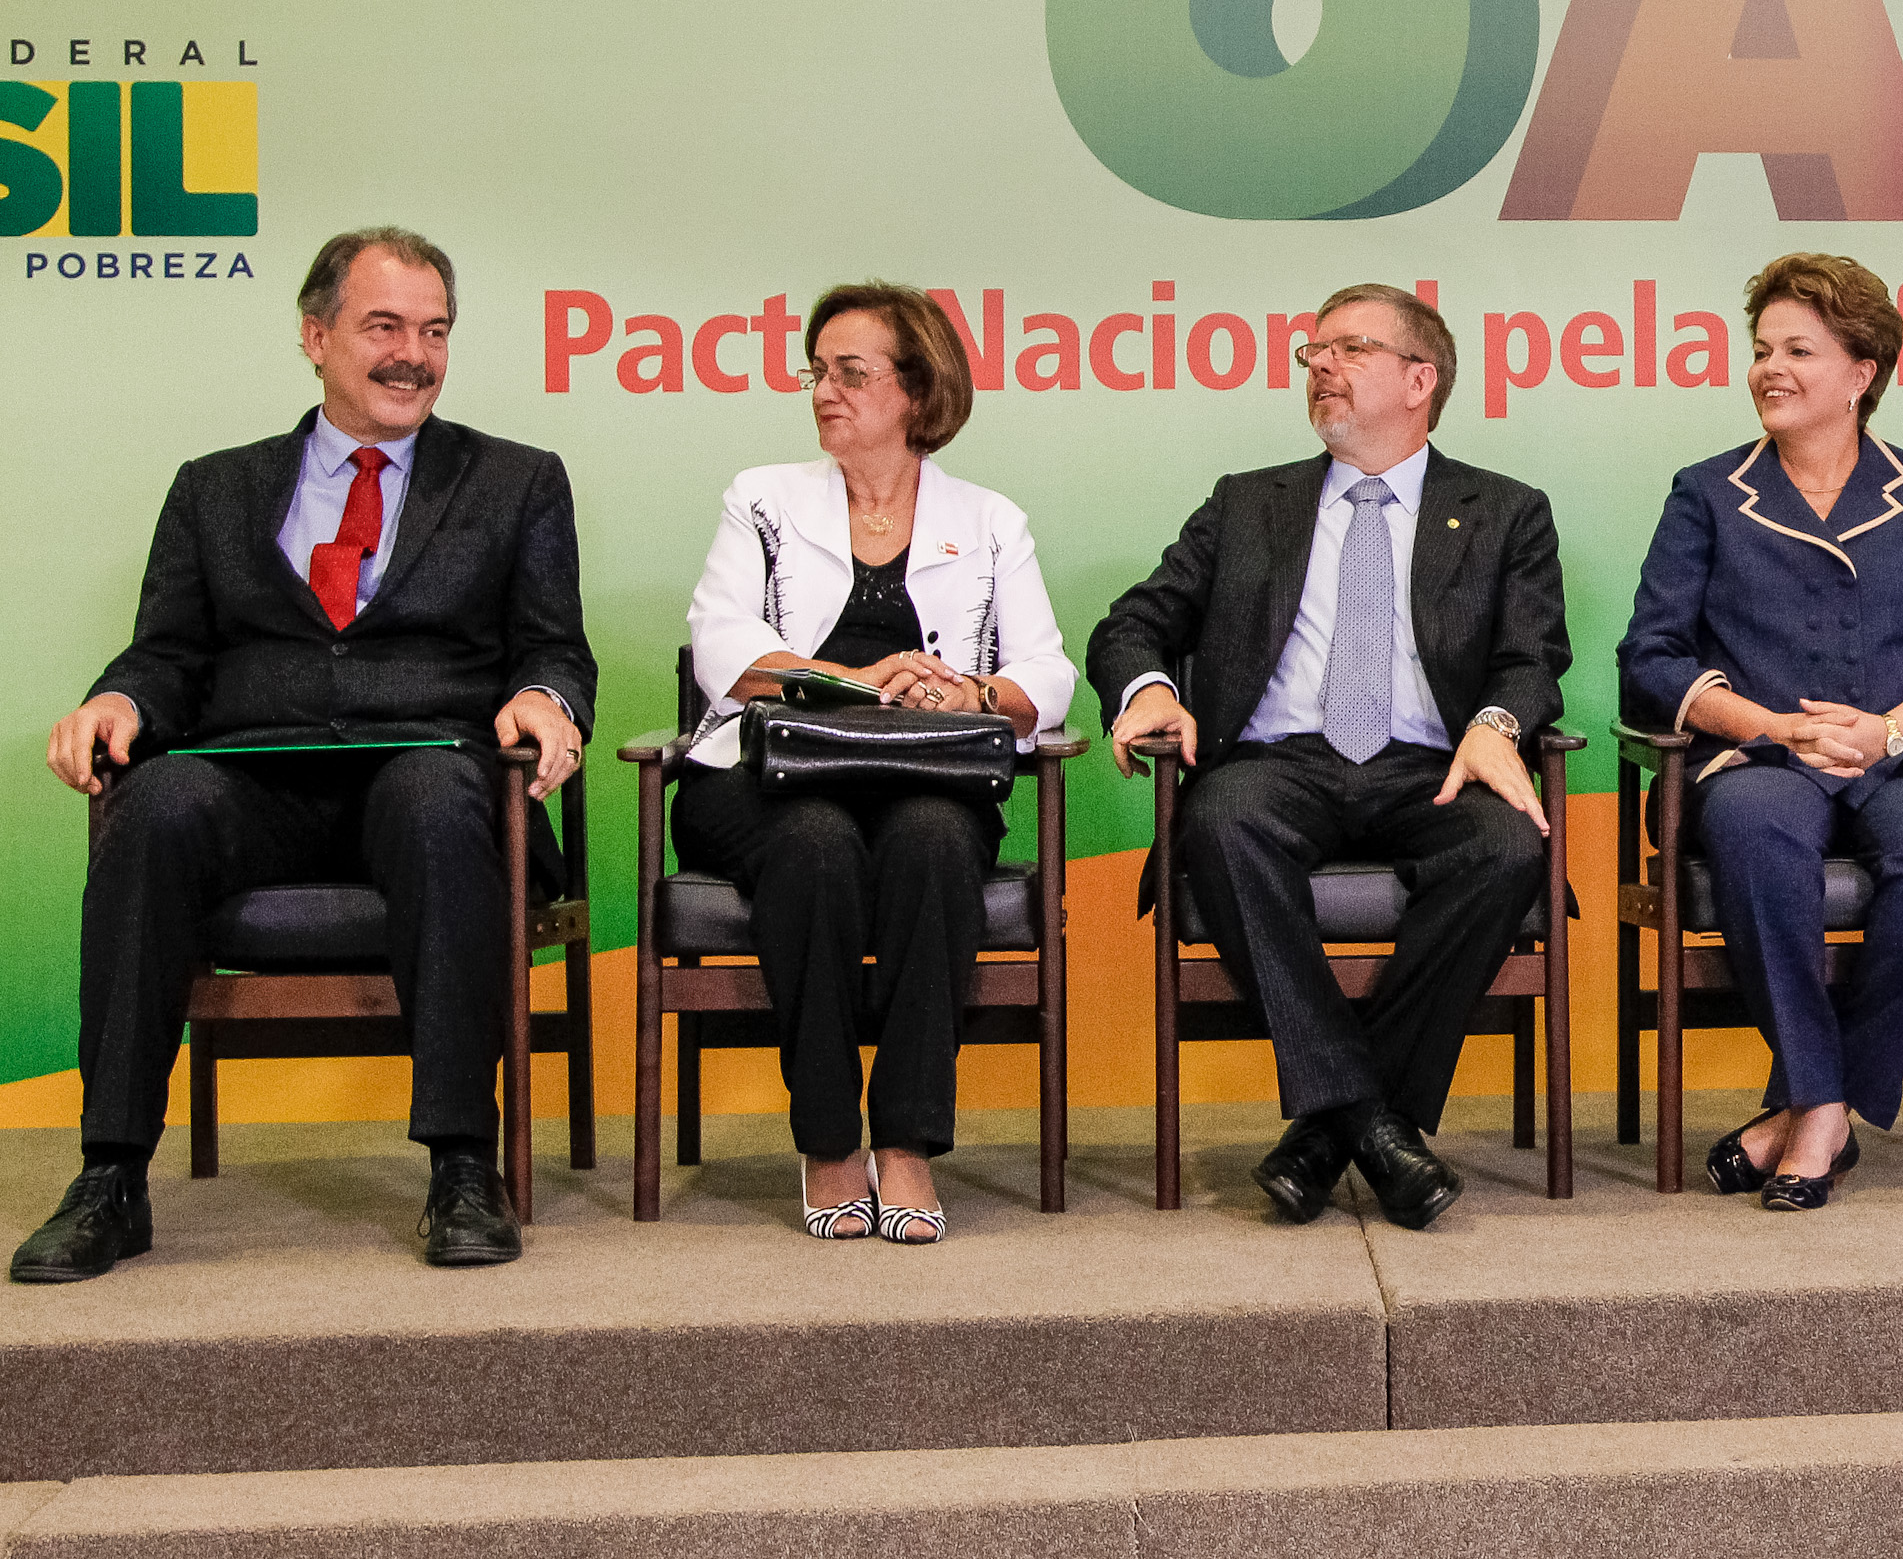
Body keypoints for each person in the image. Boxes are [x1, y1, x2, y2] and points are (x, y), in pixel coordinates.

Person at [17, 228, 595, 1282]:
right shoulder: (215, 489)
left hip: (430, 772)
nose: (411, 354)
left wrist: (547, 701)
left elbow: (553, 647)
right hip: (258, 782)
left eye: (433, 331)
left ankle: (464, 1164)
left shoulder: (515, 482)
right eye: (383, 326)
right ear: (316, 334)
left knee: (431, 792)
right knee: (155, 801)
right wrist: (115, 696)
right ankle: (109, 1177)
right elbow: (169, 654)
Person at [1089, 284, 1565, 1231]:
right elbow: (1134, 623)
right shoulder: (1247, 503)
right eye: (1311, 351)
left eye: (1349, 349)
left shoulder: (1506, 511)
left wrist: (1497, 725)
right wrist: (1148, 688)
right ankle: (1377, 1125)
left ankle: (1328, 1128)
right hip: (1282, 761)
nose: (1319, 366)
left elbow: (1532, 657)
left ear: (1420, 378)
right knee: (1217, 821)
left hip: (1432, 761)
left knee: (1507, 848)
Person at [1618, 253, 1903, 1211]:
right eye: (1761, 349)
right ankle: (1826, 1102)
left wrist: (1889, 729)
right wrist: (1769, 725)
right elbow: (1651, 656)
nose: (1770, 368)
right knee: (1756, 836)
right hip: (1758, 756)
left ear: (1862, 371)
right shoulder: (1708, 491)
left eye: (1799, 349)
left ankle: (1806, 1114)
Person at [672, 283, 1075, 1244]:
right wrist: (858, 681)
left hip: (927, 779)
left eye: (851, 373)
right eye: (817, 371)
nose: (825, 391)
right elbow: (720, 644)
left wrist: (971, 694)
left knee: (935, 844)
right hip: (764, 776)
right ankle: (826, 1140)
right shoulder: (762, 498)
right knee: (815, 845)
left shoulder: (988, 521)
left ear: (918, 390)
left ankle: (906, 1140)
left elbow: (1047, 674)